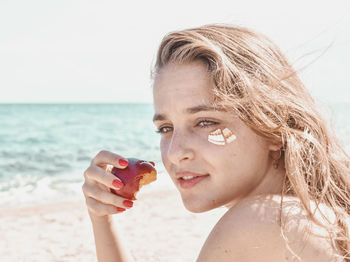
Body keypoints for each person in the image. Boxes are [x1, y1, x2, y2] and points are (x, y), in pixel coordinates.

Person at [82, 24, 350, 261]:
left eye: (205, 122)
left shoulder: (260, 220)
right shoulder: (311, 218)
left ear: (274, 128)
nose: (175, 153)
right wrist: (102, 220)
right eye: (165, 128)